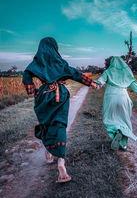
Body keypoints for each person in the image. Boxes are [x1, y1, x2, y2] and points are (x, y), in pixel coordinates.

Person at [23, 37, 97, 183]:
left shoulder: (36, 61)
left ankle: (49, 153)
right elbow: (75, 73)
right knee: (60, 124)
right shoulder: (60, 62)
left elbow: (26, 74)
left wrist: (32, 89)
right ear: (55, 47)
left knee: (47, 123)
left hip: (43, 95)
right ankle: (61, 162)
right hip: (60, 95)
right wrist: (91, 83)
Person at [95, 56, 137, 151]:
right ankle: (124, 145)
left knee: (110, 120)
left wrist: (92, 83)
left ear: (112, 63)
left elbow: (99, 83)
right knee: (125, 121)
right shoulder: (127, 73)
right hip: (123, 98)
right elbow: (136, 87)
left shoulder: (108, 72)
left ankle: (116, 132)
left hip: (110, 98)